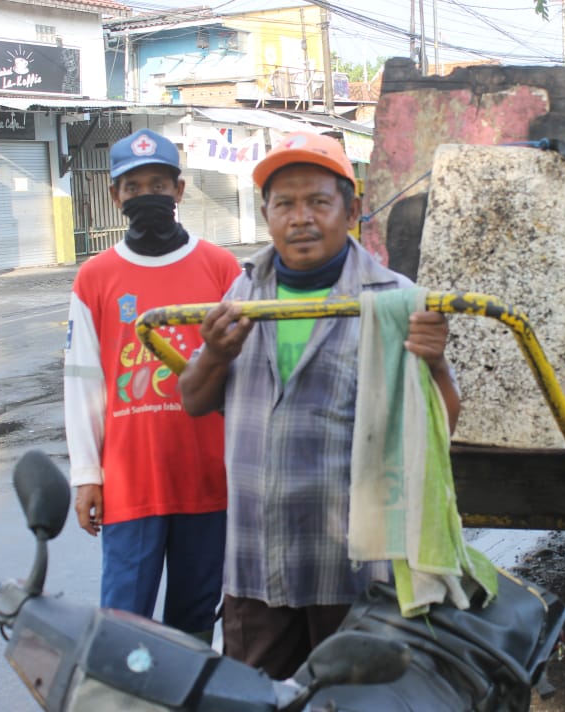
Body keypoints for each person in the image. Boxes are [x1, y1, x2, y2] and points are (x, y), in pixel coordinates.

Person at [178, 131, 461, 679]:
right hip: (257, 564)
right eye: (284, 203)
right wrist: (214, 354)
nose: (300, 218)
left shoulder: (395, 299)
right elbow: (193, 399)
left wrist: (438, 363)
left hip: (356, 570)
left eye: (318, 202)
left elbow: (441, 425)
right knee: (254, 698)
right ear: (266, 215)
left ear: (351, 210)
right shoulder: (241, 295)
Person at [64, 128, 241, 641]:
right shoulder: (95, 277)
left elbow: (246, 371)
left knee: (193, 625)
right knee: (123, 628)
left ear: (179, 191)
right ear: (115, 195)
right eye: (134, 188)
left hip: (209, 480)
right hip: (130, 481)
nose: (147, 197)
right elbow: (83, 382)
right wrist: (86, 474)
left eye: (158, 185)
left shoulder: (221, 268)